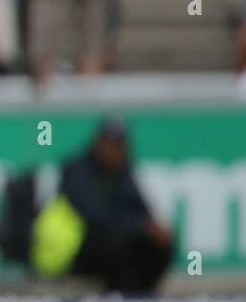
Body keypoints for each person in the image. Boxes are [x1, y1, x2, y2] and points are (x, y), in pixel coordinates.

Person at [35, 118, 174, 293]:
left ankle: (142, 296)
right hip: (76, 248)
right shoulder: (76, 170)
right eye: (110, 144)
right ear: (98, 142)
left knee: (159, 243)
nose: (114, 151)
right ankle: (117, 296)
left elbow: (140, 208)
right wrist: (139, 227)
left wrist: (152, 228)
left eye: (119, 145)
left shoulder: (122, 173)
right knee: (115, 243)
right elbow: (93, 215)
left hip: (114, 240)